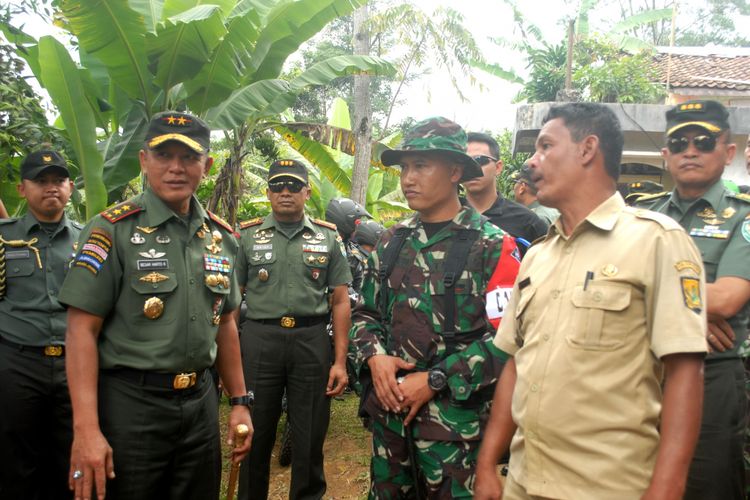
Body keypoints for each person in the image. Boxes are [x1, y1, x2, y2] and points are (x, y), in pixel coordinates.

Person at [476, 102, 707, 500]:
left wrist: (667, 487)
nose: (532, 162)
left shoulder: (656, 240)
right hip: (523, 482)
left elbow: (685, 371)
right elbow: (516, 363)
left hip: (607, 487)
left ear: (587, 150)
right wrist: (487, 464)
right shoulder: (537, 255)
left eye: (545, 146)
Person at [58, 111, 252, 500]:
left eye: (189, 157)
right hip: (132, 407)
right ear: (144, 161)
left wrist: (240, 401)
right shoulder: (111, 229)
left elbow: (226, 322)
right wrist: (86, 430)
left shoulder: (222, 237)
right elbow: (81, 329)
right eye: (164, 156)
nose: (176, 168)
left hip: (199, 406)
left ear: (207, 165)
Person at [349, 117, 521, 498]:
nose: (408, 178)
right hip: (391, 428)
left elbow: (509, 340)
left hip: (455, 437)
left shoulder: (493, 247)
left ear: (455, 170)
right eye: (404, 167)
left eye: (421, 166)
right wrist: (375, 358)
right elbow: (364, 313)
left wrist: (435, 379)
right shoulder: (393, 240)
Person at [635, 99, 750, 500]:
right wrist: (691, 314)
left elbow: (727, 299)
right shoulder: (643, 216)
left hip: (711, 375)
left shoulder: (743, 218)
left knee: (708, 487)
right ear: (666, 154)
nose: (690, 150)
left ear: (728, 151)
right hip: (641, 374)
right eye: (679, 142)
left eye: (703, 141)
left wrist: (650, 295)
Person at [236, 159, 351, 500]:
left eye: (293, 186)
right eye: (278, 186)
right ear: (268, 192)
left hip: (311, 340)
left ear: (306, 191)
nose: (285, 192)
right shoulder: (247, 235)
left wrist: (340, 361)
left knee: (310, 436)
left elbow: (341, 300)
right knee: (254, 433)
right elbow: (230, 301)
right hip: (260, 341)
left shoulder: (329, 237)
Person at [0, 150, 81, 499]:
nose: (52, 188)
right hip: (17, 363)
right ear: (22, 188)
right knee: (16, 456)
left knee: (70, 453)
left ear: (71, 187)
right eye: (41, 181)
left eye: (58, 180)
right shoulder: (4, 238)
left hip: (73, 362)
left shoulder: (89, 239)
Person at [464, 132, 547, 245]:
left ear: (498, 167)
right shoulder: (447, 216)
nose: (472, 168)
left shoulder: (527, 222)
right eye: (466, 162)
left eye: (480, 160)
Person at [325, 198, 370, 294]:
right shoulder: (319, 247)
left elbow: (358, 290)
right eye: (357, 222)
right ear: (346, 221)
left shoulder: (354, 255)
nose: (359, 227)